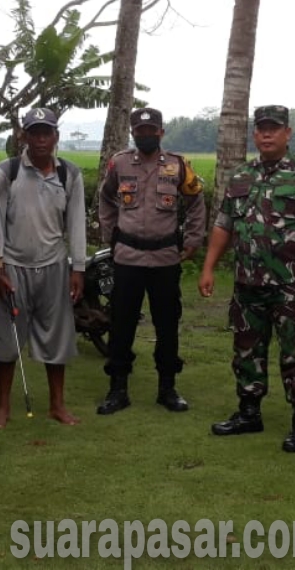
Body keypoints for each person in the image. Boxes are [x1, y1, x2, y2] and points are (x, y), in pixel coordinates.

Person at [198, 105, 295, 453]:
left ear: (288, 133)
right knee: (246, 351)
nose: (267, 134)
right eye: (261, 129)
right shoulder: (241, 176)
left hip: (293, 287)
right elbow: (223, 225)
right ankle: (248, 412)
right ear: (254, 134)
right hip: (247, 285)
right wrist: (209, 267)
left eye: (274, 128)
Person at [95, 108, 207, 415]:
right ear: (133, 132)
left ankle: (167, 388)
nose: (145, 135)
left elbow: (196, 200)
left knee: (167, 324)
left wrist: (194, 239)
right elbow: (105, 198)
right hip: (128, 257)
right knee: (121, 324)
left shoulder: (177, 165)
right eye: (140, 131)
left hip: (165, 258)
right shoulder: (119, 163)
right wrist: (110, 233)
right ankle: (118, 389)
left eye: (151, 130)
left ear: (161, 132)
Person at [0, 107, 87, 427]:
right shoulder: (6, 172)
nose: (41, 139)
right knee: (7, 338)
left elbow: (77, 224)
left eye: (47, 132)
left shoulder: (69, 174)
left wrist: (78, 268)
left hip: (54, 266)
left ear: (56, 136)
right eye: (35, 132)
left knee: (56, 339)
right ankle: (2, 407)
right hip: (13, 267)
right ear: (24, 136)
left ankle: (58, 405)